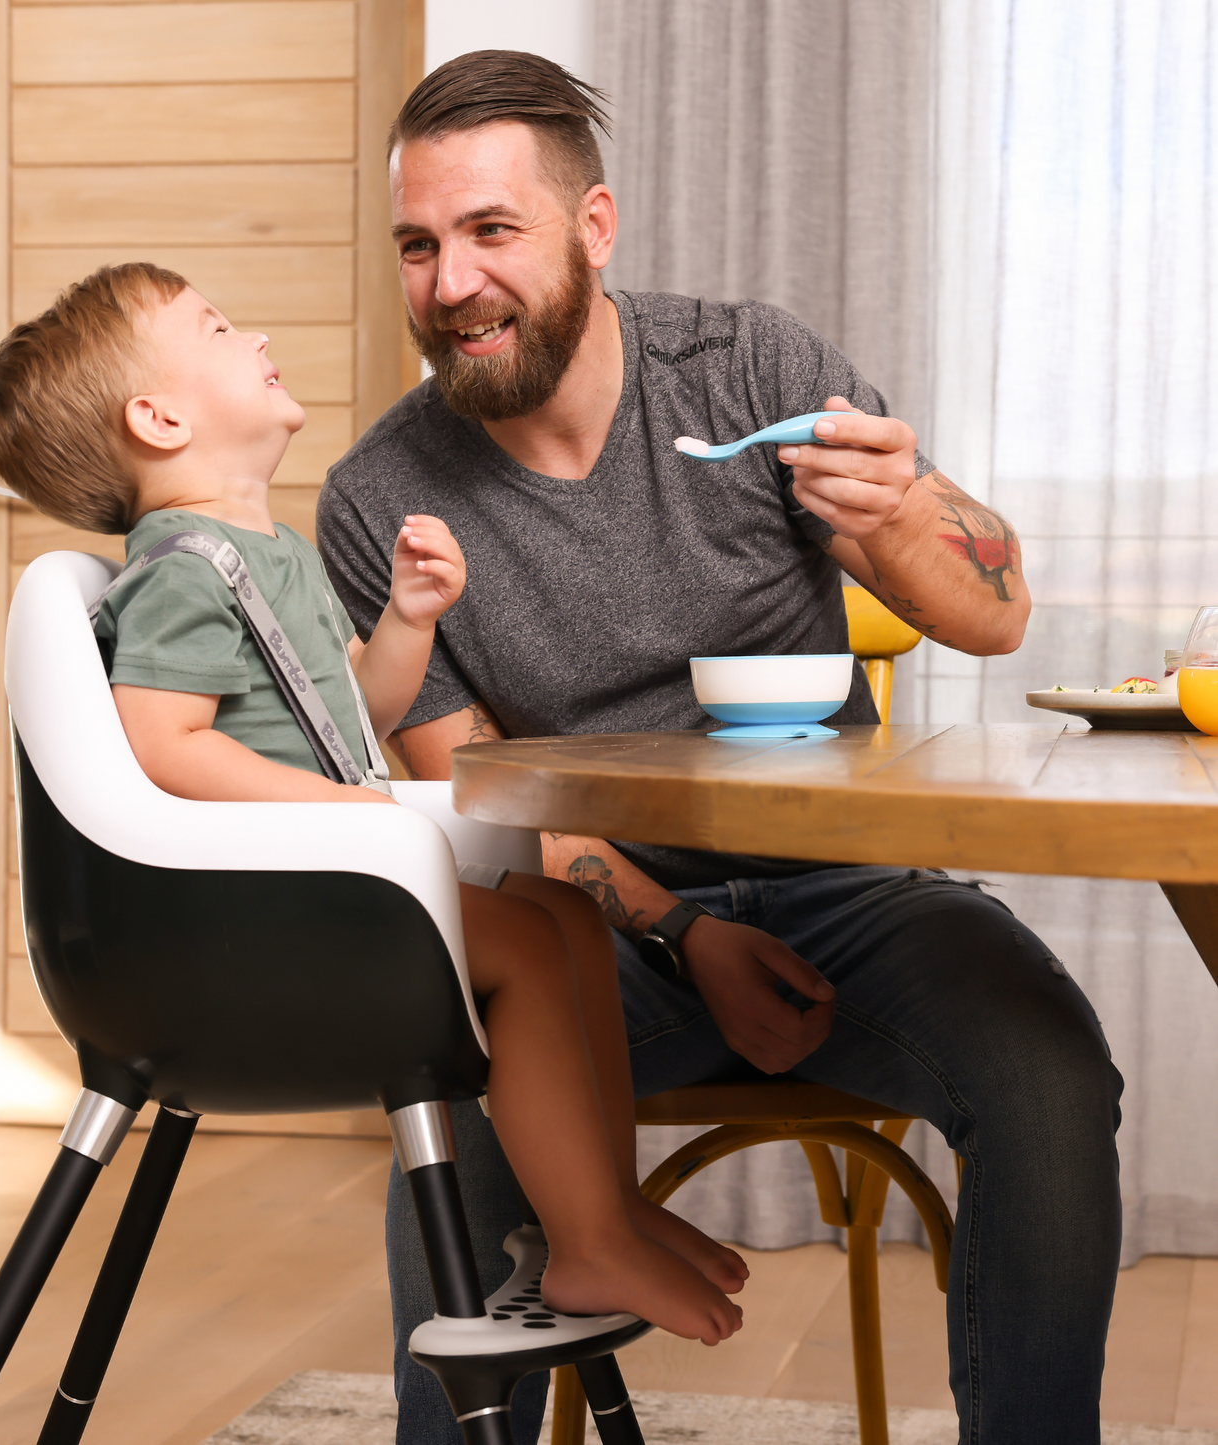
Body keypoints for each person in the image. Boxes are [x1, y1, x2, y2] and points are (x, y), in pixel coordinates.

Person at [316, 51, 1123, 1445]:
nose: (449, 284)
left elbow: (996, 620)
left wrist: (899, 512)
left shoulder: (751, 365)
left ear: (594, 227)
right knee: (449, 1126)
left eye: (490, 231)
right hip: (590, 929)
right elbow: (473, 794)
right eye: (418, 244)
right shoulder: (379, 496)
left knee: (1048, 1069)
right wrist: (687, 935)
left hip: (855, 894)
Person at [0, 260, 751, 1348]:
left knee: (563, 917)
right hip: (258, 927)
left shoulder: (265, 555)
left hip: (306, 896)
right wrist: (350, 814)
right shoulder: (185, 570)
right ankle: (584, 1240)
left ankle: (602, 1208)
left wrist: (407, 625)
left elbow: (344, 706)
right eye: (217, 325)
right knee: (526, 948)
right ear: (158, 416)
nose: (252, 336)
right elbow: (161, 743)